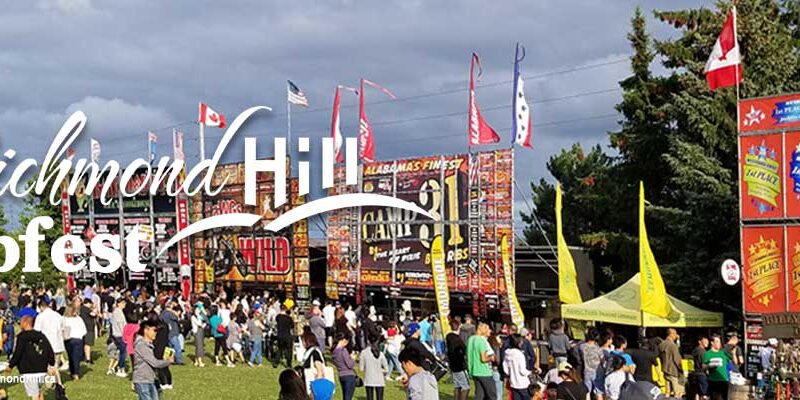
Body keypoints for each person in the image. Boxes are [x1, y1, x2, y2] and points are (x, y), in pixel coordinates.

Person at [5, 315, 55, 400]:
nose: (20, 324)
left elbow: (18, 353)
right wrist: (51, 363)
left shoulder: (22, 337)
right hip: (41, 369)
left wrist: (10, 366)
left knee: (34, 395)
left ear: (25, 323)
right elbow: (49, 350)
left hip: (28, 371)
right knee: (39, 391)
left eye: (21, 322)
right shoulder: (41, 336)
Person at [133, 319, 174, 400]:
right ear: (146, 330)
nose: (156, 333)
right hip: (142, 381)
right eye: (154, 330)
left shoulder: (148, 345)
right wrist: (168, 361)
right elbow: (154, 363)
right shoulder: (142, 345)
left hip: (150, 379)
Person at [32, 297, 65, 372]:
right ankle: (57, 382)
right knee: (55, 366)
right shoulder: (58, 315)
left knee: (48, 367)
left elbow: (36, 331)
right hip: (58, 344)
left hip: (46, 345)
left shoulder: (40, 317)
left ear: (41, 307)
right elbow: (63, 329)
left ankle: (51, 382)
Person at [467, 321, 496, 400]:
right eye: (487, 328)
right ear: (481, 329)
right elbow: (483, 359)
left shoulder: (470, 339)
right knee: (492, 394)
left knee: (480, 395)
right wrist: (491, 358)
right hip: (484, 372)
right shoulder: (481, 341)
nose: (488, 330)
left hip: (474, 370)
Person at [446, 318, 470, 400]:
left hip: (452, 365)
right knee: (466, 387)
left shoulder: (449, 337)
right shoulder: (457, 340)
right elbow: (461, 352)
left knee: (457, 386)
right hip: (459, 366)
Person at [502, 334, 531, 400]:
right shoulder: (520, 354)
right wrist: (530, 372)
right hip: (523, 383)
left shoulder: (507, 353)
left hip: (513, 382)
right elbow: (522, 371)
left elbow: (506, 369)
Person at [63, 303, 87, 380]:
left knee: (71, 357)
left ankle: (73, 372)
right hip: (77, 339)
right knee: (76, 357)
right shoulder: (78, 319)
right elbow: (84, 330)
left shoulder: (64, 319)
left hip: (68, 339)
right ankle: (75, 373)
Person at [702, 334, 731, 400]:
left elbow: (733, 361)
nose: (719, 344)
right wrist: (710, 365)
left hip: (724, 380)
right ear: (712, 343)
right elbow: (703, 367)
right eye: (717, 341)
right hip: (714, 380)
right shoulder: (708, 354)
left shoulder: (723, 353)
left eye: (720, 342)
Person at [659, 328, 684, 398]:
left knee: (667, 392)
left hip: (665, 369)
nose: (676, 336)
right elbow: (677, 359)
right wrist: (681, 368)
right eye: (675, 334)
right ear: (671, 334)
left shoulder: (661, 345)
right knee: (677, 392)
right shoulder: (672, 345)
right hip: (673, 370)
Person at [331, 333, 356, 400]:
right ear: (343, 340)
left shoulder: (334, 352)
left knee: (345, 396)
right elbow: (350, 365)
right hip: (349, 375)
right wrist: (352, 359)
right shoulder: (343, 351)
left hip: (341, 374)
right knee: (348, 397)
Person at [581, 329, 603, 393]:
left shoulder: (582, 346)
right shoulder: (598, 349)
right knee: (599, 393)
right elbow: (602, 360)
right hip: (597, 372)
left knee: (587, 392)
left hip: (587, 371)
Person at [111, 297, 128, 376]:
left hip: (119, 334)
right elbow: (121, 325)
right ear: (118, 304)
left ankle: (119, 367)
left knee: (122, 352)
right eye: (123, 303)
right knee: (123, 352)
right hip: (119, 335)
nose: (124, 305)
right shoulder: (117, 312)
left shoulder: (119, 311)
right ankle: (120, 368)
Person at [79, 297, 97, 364]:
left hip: (82, 328)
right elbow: (94, 314)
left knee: (83, 343)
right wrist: (94, 309)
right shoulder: (86, 309)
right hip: (88, 328)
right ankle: (88, 358)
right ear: (88, 303)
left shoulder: (80, 309)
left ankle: (83, 356)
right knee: (88, 344)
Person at [191, 303, 207, 367]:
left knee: (200, 345)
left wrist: (202, 312)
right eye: (197, 310)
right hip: (197, 332)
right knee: (199, 346)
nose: (198, 311)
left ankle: (197, 360)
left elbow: (206, 319)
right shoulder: (193, 317)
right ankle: (200, 361)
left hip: (201, 331)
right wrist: (203, 324)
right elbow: (199, 324)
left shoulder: (200, 316)